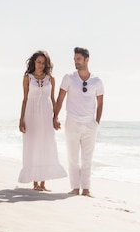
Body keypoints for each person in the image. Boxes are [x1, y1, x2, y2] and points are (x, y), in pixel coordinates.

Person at [53, 47, 104, 197]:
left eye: (79, 59)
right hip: (72, 122)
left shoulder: (97, 81)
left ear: (87, 60)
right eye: (75, 59)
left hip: (89, 124)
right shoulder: (69, 78)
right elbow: (60, 99)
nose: (76, 62)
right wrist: (55, 117)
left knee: (87, 157)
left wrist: (96, 123)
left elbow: (100, 103)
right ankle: (75, 188)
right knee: (73, 157)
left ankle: (86, 189)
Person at [18, 50, 67, 191]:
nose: (40, 65)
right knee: (32, 145)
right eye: (38, 62)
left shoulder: (50, 78)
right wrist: (21, 119)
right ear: (33, 62)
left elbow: (53, 99)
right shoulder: (28, 78)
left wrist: (55, 117)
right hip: (31, 114)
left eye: (43, 63)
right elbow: (25, 99)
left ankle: (43, 183)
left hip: (46, 114)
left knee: (46, 144)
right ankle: (35, 182)